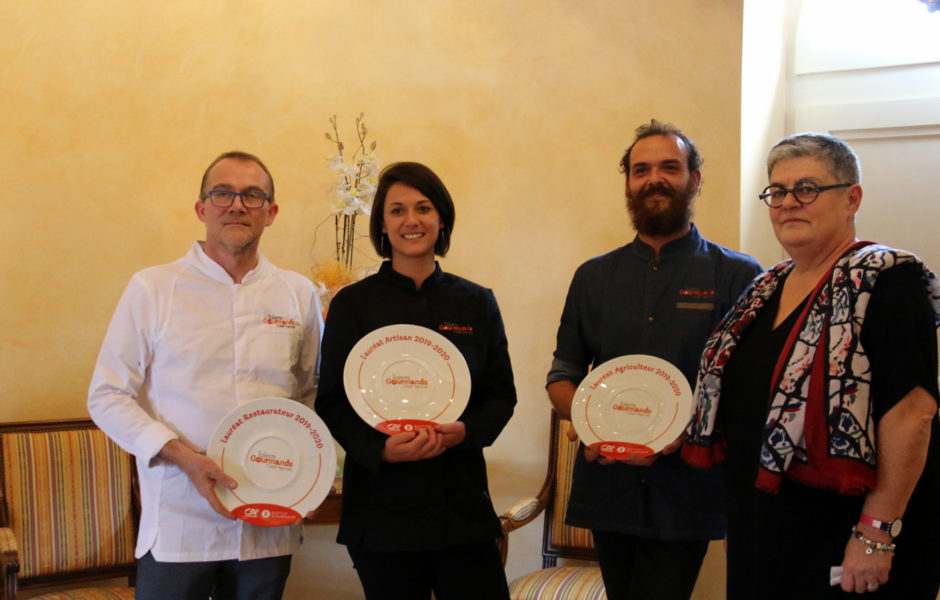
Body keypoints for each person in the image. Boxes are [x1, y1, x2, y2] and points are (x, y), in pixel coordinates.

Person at [684, 132, 940, 598]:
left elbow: (912, 414)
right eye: (777, 192)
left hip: (845, 536)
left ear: (851, 198)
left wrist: (875, 531)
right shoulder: (765, 289)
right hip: (765, 529)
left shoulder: (887, 279)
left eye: (807, 188)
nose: (788, 203)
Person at [88, 151, 323, 600]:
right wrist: (179, 455)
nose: (237, 205)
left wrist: (309, 474)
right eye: (222, 193)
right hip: (180, 519)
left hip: (267, 520)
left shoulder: (297, 292)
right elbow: (107, 395)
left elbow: (312, 393)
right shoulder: (153, 288)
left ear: (271, 213)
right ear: (202, 209)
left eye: (253, 195)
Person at [546, 119, 762, 599]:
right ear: (627, 183)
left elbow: (753, 389)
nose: (654, 179)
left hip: (688, 490)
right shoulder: (593, 277)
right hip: (608, 486)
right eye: (640, 170)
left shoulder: (739, 275)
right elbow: (562, 375)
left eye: (670, 167)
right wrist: (589, 418)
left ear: (695, 179)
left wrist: (693, 428)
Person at [315, 161, 516, 599]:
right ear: (382, 226)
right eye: (397, 210)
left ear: (441, 218)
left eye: (423, 208)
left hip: (462, 509)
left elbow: (501, 396)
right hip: (381, 514)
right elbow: (330, 401)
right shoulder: (352, 305)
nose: (411, 220)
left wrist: (465, 432)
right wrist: (379, 449)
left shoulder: (477, 303)